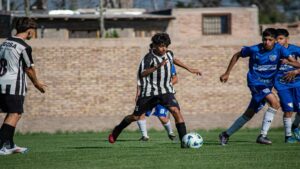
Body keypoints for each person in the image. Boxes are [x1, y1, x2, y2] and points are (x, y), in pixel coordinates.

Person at [108, 32, 201, 148]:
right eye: (162, 46)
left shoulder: (169, 54)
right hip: (149, 93)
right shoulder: (148, 58)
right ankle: (117, 130)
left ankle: (184, 142)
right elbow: (142, 73)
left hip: (166, 91)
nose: (164, 49)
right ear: (155, 45)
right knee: (136, 117)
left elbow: (174, 59)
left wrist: (189, 69)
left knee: (176, 111)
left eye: (166, 46)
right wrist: (157, 66)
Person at [219, 28, 300, 145]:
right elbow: (237, 55)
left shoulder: (280, 49)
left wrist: (289, 63)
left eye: (270, 40)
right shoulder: (254, 49)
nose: (267, 42)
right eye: (264, 39)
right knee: (275, 103)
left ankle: (225, 134)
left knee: (249, 113)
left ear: (275, 41)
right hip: (255, 82)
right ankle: (262, 135)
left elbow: (296, 63)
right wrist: (227, 73)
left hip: (267, 84)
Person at [0, 18, 46, 155]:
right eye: (34, 31)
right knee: (15, 113)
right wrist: (37, 84)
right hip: (13, 84)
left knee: (11, 113)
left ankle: (10, 144)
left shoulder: (5, 43)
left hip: (1, 82)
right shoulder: (24, 47)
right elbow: (29, 69)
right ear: (30, 31)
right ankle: (2, 143)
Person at [136, 63, 178, 141]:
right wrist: (137, 95)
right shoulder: (147, 63)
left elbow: (175, 79)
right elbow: (140, 81)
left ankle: (171, 133)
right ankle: (144, 136)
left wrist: (164, 85)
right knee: (140, 113)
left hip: (163, 95)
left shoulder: (169, 65)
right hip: (148, 95)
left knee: (162, 117)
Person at [275, 28, 300, 142]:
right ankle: (288, 137)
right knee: (288, 109)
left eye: (281, 38)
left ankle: (295, 126)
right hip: (282, 84)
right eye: (276, 39)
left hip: (297, 83)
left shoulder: (295, 49)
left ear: (287, 39)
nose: (278, 41)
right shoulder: (273, 51)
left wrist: (295, 71)